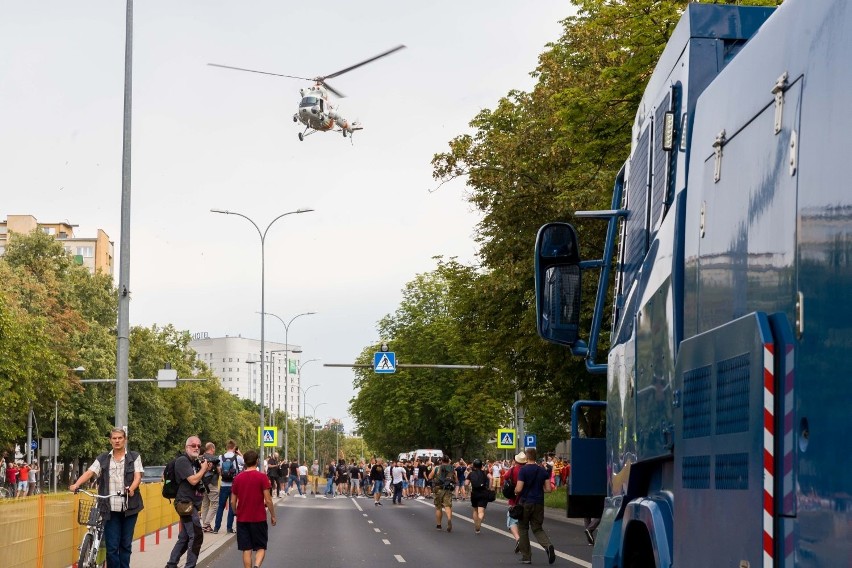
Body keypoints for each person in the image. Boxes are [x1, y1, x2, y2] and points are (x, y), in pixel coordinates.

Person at [70, 427, 144, 568]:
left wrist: (132, 489)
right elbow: (90, 472)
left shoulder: (134, 457)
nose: (117, 441)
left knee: (125, 545)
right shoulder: (103, 458)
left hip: (130, 508)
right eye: (114, 438)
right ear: (110, 441)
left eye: (120, 438)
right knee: (112, 547)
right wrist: (76, 484)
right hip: (109, 509)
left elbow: (137, 477)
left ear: (125, 440)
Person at [166, 436, 213, 568]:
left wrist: (205, 470)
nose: (197, 448)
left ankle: (171, 564)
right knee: (197, 536)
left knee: (185, 537)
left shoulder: (195, 462)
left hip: (192, 503)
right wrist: (203, 469)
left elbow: (200, 483)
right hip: (185, 503)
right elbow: (193, 480)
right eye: (193, 445)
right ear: (187, 447)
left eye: (199, 445)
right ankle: (189, 566)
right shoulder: (182, 461)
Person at [230, 450, 277, 568]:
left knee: (246, 548)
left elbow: (232, 501)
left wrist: (236, 512)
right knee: (261, 547)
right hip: (259, 518)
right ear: (257, 461)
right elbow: (268, 500)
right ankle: (256, 566)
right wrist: (272, 515)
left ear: (245, 462)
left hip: (242, 519)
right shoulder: (262, 477)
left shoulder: (237, 478)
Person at [514, 448, 556, 565]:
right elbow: (548, 489)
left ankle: (526, 556)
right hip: (539, 503)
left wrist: (516, 491)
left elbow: (519, 488)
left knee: (523, 528)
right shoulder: (542, 471)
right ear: (536, 456)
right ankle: (548, 546)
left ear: (527, 457)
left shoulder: (523, 470)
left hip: (526, 502)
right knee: (537, 528)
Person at [214, 441, 243, 534]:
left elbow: (219, 468)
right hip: (234, 485)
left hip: (223, 484)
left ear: (227, 447)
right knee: (232, 506)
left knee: (220, 507)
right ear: (234, 447)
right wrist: (239, 453)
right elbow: (246, 462)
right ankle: (229, 528)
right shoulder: (237, 457)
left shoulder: (220, 457)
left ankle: (216, 528)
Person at [502, 451, 526, 553]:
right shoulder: (527, 470)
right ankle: (523, 542)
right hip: (526, 499)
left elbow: (505, 478)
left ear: (516, 461)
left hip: (514, 499)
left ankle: (518, 539)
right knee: (522, 522)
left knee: (511, 521)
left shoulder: (513, 470)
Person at [428, 456, 457, 532]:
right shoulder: (451, 469)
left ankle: (439, 525)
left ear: (441, 461)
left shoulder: (436, 468)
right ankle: (449, 519)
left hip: (438, 490)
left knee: (438, 508)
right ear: (448, 461)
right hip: (448, 490)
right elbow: (456, 480)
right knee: (448, 506)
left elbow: (429, 476)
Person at [466, 458, 491, 533]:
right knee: (481, 511)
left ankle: (476, 524)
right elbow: (491, 478)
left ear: (474, 465)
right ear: (481, 465)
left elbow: (466, 483)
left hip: (474, 493)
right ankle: (480, 520)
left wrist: (469, 489)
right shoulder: (485, 473)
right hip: (483, 493)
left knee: (475, 509)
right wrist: (490, 488)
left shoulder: (471, 473)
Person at [200, 442, 219, 532]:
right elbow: (219, 470)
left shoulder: (200, 458)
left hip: (202, 483)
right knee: (215, 504)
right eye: (214, 449)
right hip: (211, 483)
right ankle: (206, 524)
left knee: (205, 505)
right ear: (212, 448)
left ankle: (205, 525)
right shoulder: (215, 459)